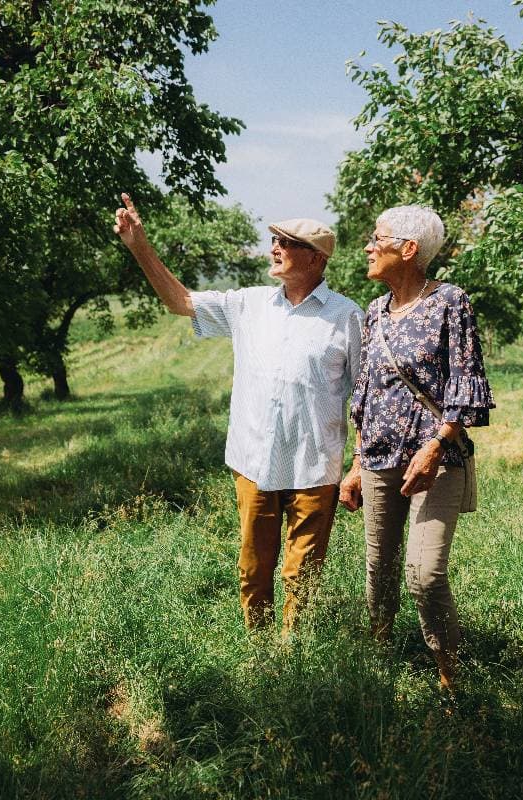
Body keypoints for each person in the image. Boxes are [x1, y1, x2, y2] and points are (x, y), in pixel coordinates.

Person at [114, 193, 364, 632]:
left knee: (301, 574)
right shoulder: (248, 304)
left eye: (285, 242)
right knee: (253, 569)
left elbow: (364, 395)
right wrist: (140, 247)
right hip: (255, 462)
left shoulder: (347, 317)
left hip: (315, 466)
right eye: (274, 240)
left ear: (315, 258)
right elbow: (180, 302)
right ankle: (259, 651)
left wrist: (358, 464)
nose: (274, 248)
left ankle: (295, 652)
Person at [339, 205, 494, 689]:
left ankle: (450, 675)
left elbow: (467, 383)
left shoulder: (450, 301)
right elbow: (366, 390)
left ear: (408, 250)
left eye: (376, 238)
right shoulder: (375, 312)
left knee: (424, 574)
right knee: (378, 569)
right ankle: (382, 659)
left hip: (437, 461)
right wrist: (357, 462)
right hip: (380, 457)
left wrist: (434, 447)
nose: (368, 246)